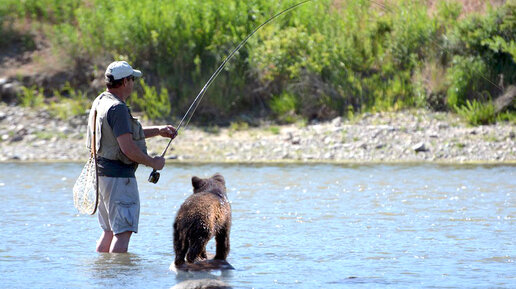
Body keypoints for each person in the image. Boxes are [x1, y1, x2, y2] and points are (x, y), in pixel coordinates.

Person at [86, 61, 177, 253]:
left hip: (101, 177)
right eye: (132, 79)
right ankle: (119, 280)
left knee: (109, 231)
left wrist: (158, 131)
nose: (134, 83)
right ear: (125, 81)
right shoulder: (117, 108)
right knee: (122, 232)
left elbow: (122, 134)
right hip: (119, 180)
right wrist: (153, 162)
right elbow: (127, 148)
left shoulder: (101, 101)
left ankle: (104, 277)